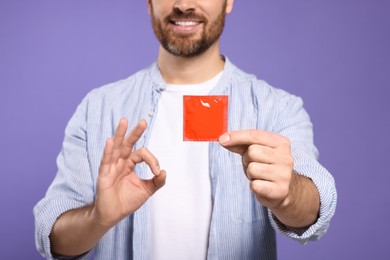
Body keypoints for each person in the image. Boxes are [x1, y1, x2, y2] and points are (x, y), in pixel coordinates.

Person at [34, 0, 337, 259]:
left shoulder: (276, 108)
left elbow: (314, 209)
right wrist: (98, 218)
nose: (183, 4)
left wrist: (288, 194)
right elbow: (54, 236)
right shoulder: (98, 108)